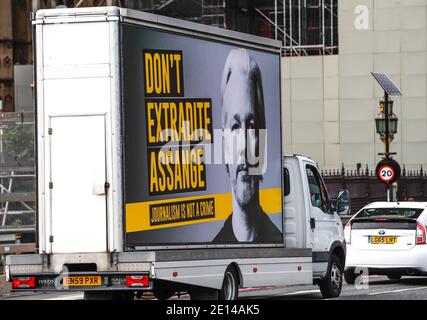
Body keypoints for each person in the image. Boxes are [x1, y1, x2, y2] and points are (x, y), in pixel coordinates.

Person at [213, 48, 282, 243]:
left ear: (264, 142)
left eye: (251, 126)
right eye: (235, 127)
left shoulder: (278, 240)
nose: (243, 145)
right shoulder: (215, 246)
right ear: (224, 145)